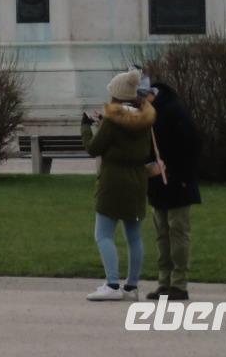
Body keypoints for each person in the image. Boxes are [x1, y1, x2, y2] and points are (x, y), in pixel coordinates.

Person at [80, 69, 157, 301]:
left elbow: (93, 148)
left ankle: (112, 284)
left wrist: (86, 127)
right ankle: (131, 286)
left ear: (116, 94)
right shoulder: (144, 120)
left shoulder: (113, 120)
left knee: (103, 234)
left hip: (113, 181)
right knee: (134, 236)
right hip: (137, 180)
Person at [143, 76, 200, 302]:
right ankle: (164, 282)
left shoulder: (174, 110)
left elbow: (192, 145)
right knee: (162, 235)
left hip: (178, 183)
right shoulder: (149, 113)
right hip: (158, 183)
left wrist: (182, 177)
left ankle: (178, 283)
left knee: (177, 233)